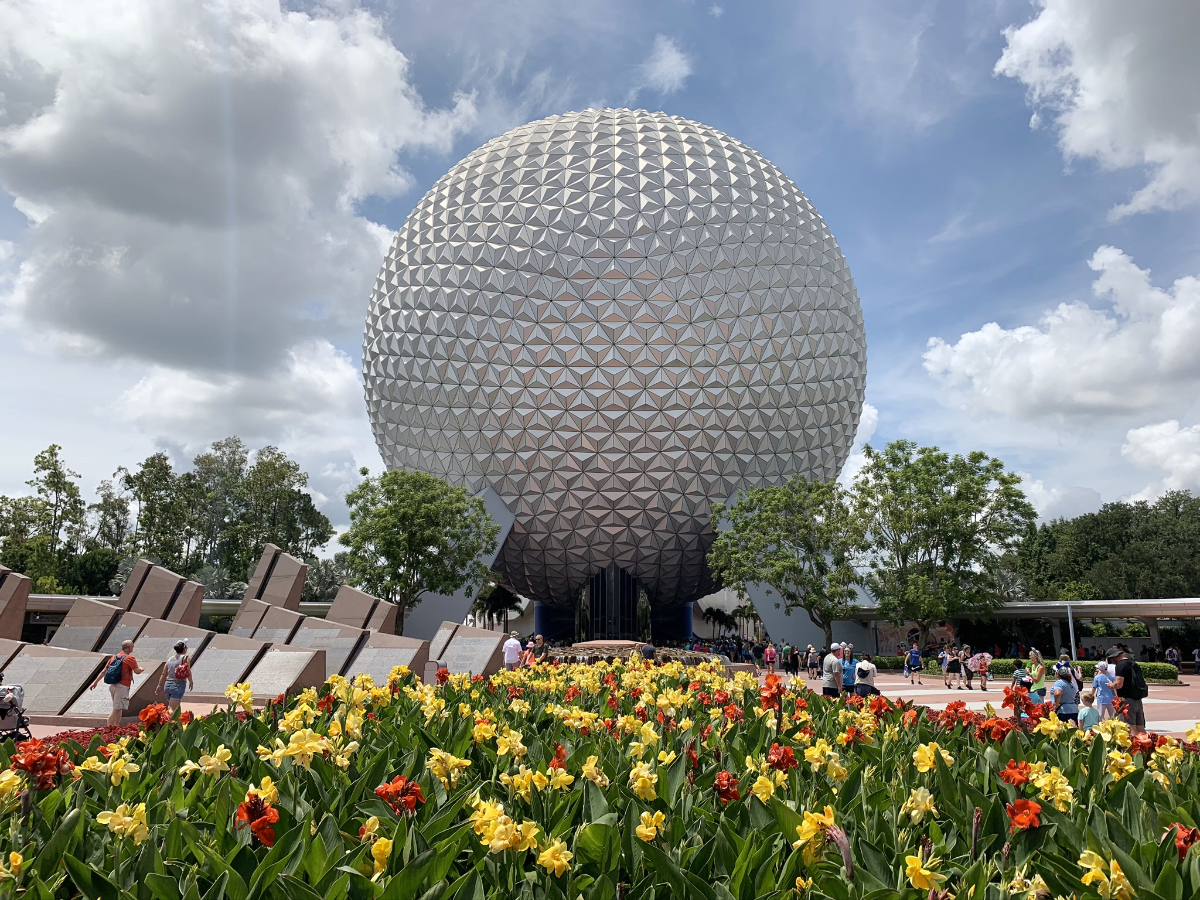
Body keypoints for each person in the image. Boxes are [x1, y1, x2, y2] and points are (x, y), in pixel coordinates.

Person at [90, 639, 143, 726]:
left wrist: (95, 682)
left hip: (113, 686)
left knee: (119, 708)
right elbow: (137, 671)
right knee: (116, 708)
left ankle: (116, 726)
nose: (133, 647)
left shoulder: (113, 657)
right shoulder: (129, 658)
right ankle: (109, 728)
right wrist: (141, 668)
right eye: (132, 646)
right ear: (129, 647)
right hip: (122, 686)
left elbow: (104, 671)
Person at [1107, 645, 1148, 735]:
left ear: (1113, 657)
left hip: (1127, 700)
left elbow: (1119, 684)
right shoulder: (1133, 664)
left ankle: (1132, 747)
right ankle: (1145, 746)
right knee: (1140, 727)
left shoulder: (1121, 665)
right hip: (1137, 698)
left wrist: (1111, 685)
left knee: (1130, 727)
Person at [155, 640, 194, 712]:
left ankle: (170, 721)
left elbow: (163, 673)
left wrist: (159, 685)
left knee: (170, 706)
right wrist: (191, 682)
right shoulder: (185, 658)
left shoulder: (170, 659)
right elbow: (188, 671)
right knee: (173, 709)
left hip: (167, 685)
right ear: (184, 649)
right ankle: (168, 722)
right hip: (178, 685)